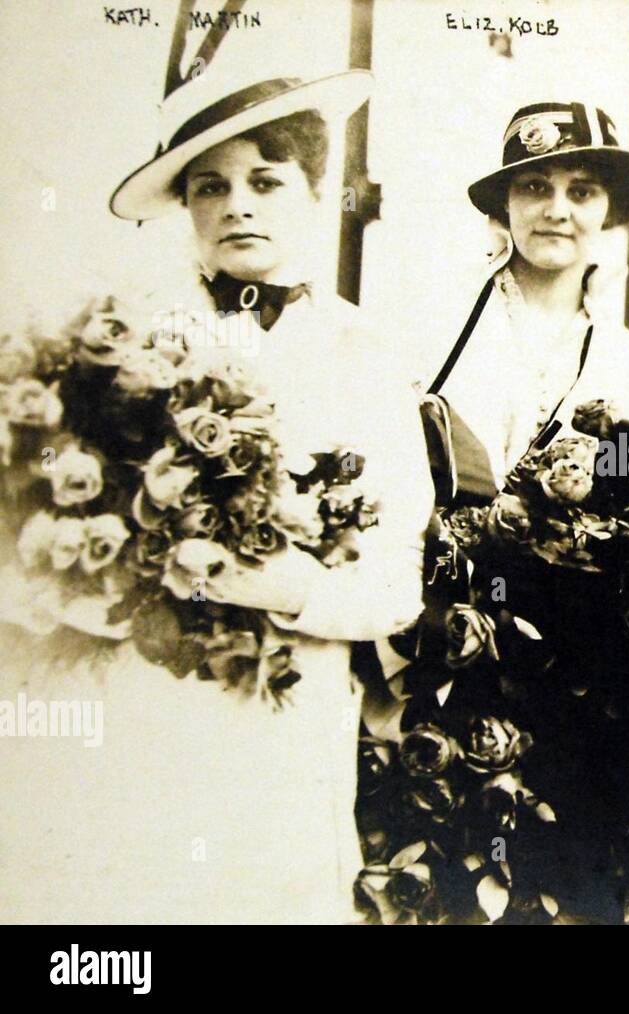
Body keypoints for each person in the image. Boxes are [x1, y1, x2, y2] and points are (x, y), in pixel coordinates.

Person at [0, 63, 433, 922]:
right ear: (187, 207)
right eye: (212, 186)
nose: (239, 204)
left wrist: (290, 588)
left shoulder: (364, 352)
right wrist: (96, 600)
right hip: (143, 708)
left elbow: (397, 579)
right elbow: (26, 534)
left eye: (266, 182)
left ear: (314, 193)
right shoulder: (116, 350)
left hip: (288, 712)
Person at [421, 100, 629, 504]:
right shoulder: (435, 322)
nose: (557, 211)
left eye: (581, 192)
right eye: (535, 186)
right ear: (505, 202)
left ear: (608, 209)